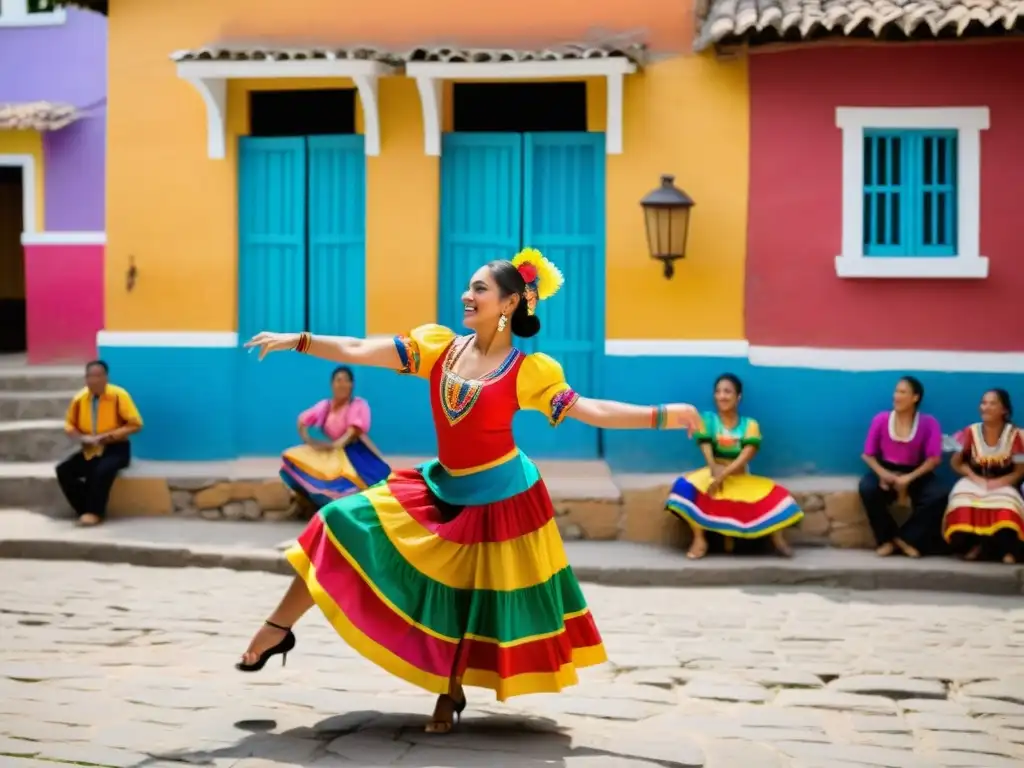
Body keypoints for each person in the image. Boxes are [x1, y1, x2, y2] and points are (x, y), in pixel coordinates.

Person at [239, 248, 702, 734]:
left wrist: (664, 415)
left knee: (464, 597)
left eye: (480, 288)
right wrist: (300, 340)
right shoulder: (439, 348)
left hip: (499, 498)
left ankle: (449, 691)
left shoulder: (529, 371)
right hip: (442, 486)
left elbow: (592, 410)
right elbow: (359, 349)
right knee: (337, 521)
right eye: (469, 286)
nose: (467, 294)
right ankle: (278, 628)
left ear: (507, 304)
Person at [665, 373, 803, 559]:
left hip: (739, 477)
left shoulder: (750, 425)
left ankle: (778, 541)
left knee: (779, 496)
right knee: (684, 487)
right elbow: (705, 447)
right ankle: (699, 539)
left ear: (738, 397)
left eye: (728, 392)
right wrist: (714, 469)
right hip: (713, 473)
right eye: (718, 392)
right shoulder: (707, 420)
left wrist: (724, 474)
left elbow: (747, 455)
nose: (722, 396)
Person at [280, 366, 391, 515]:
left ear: (352, 385)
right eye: (338, 380)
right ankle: (311, 504)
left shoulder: (357, 404)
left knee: (354, 480)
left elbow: (352, 432)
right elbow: (302, 420)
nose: (342, 384)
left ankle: (342, 507)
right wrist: (309, 441)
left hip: (353, 452)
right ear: (332, 384)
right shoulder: (325, 406)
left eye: (347, 380)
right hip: (331, 451)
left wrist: (335, 446)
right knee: (291, 456)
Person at [858, 376, 949, 558]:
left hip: (916, 472)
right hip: (885, 470)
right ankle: (886, 540)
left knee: (938, 495)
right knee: (868, 489)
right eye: (896, 391)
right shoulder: (881, 420)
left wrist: (909, 478)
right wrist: (883, 474)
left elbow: (934, 459)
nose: (896, 396)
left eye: (902, 392)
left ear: (915, 397)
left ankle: (905, 538)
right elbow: (867, 454)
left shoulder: (929, 423)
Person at [56, 360, 143, 527]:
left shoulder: (119, 396)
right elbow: (69, 424)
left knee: (102, 470)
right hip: (91, 448)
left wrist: (110, 436)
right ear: (85, 378)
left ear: (106, 378)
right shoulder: (80, 399)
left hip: (117, 447)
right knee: (64, 470)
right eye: (90, 376)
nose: (94, 380)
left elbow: (136, 423)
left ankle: (95, 512)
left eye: (98, 376)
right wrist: (83, 438)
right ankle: (84, 509)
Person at [943, 389, 1024, 564]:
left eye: (992, 403)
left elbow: (1019, 471)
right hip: (975, 479)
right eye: (983, 403)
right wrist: (974, 477)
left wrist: (999, 483)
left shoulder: (1015, 436)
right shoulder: (970, 432)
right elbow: (956, 463)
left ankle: (1003, 550)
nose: (986, 407)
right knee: (961, 501)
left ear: (1004, 410)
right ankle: (975, 545)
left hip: (1005, 481)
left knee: (1006, 505)